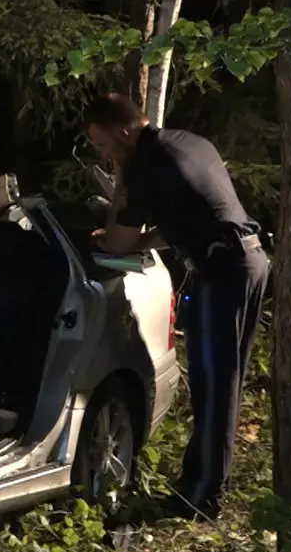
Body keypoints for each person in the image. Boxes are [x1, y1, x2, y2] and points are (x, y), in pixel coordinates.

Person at [84, 93, 270, 521]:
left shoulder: (145, 164)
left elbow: (117, 245)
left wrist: (120, 182)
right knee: (223, 384)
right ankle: (204, 486)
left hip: (222, 272)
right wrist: (144, 237)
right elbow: (189, 218)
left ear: (123, 133)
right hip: (249, 259)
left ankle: (201, 497)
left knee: (214, 387)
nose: (104, 154)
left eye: (103, 145)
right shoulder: (187, 143)